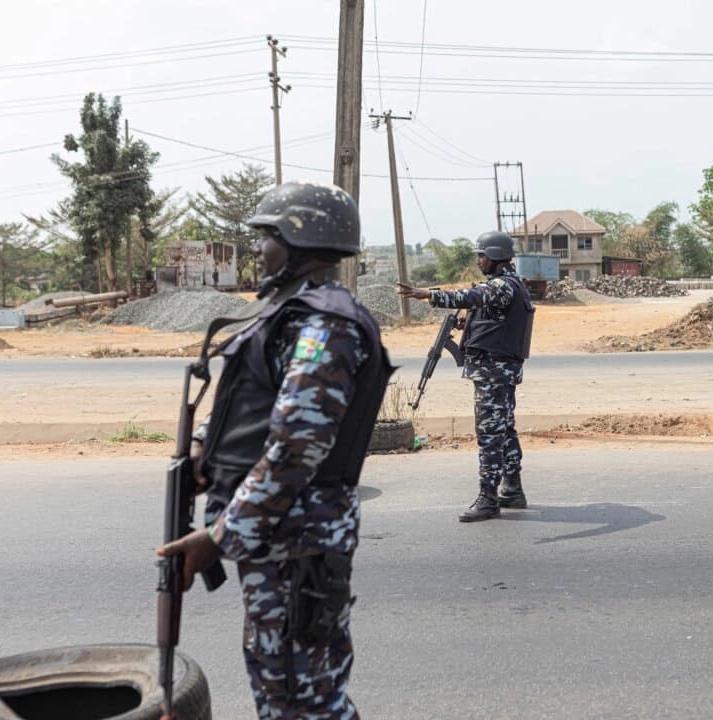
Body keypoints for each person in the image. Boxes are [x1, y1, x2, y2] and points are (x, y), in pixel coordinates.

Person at [157, 181, 392, 719]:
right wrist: (203, 451)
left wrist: (217, 538)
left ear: (300, 238)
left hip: (296, 542)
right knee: (288, 694)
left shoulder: (322, 324)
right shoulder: (285, 312)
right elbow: (254, 399)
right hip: (278, 537)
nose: (257, 250)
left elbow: (295, 449)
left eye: (267, 237)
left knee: (302, 704)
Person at [395, 231, 534, 522]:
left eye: (481, 255)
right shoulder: (509, 285)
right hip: (498, 370)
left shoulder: (502, 286)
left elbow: (473, 296)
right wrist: (467, 322)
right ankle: (512, 489)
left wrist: (429, 294)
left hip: (494, 372)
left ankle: (488, 498)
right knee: (504, 429)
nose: (478, 260)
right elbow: (490, 312)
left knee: (489, 434)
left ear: (495, 256)